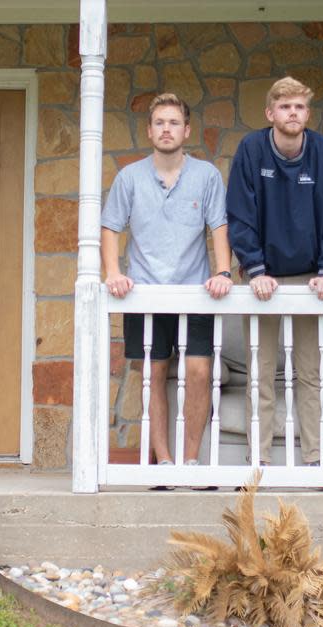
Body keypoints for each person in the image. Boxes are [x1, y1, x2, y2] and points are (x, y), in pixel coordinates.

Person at [101, 93, 234, 467]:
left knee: (198, 369)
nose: (166, 129)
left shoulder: (206, 175)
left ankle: (189, 460)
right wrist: (114, 273)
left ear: (186, 130)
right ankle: (163, 459)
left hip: (194, 291)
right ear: (149, 130)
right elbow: (110, 228)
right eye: (159, 122)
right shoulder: (129, 177)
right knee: (153, 373)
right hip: (144, 291)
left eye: (174, 122)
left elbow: (219, 227)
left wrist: (222, 272)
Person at [226, 76, 323, 466]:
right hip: (264, 277)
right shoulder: (251, 149)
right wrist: (254, 268)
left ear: (307, 114)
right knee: (260, 376)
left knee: (310, 373)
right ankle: (258, 460)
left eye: (298, 107)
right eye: (284, 107)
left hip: (312, 278)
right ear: (270, 113)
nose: (292, 113)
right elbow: (239, 214)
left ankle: (313, 459)